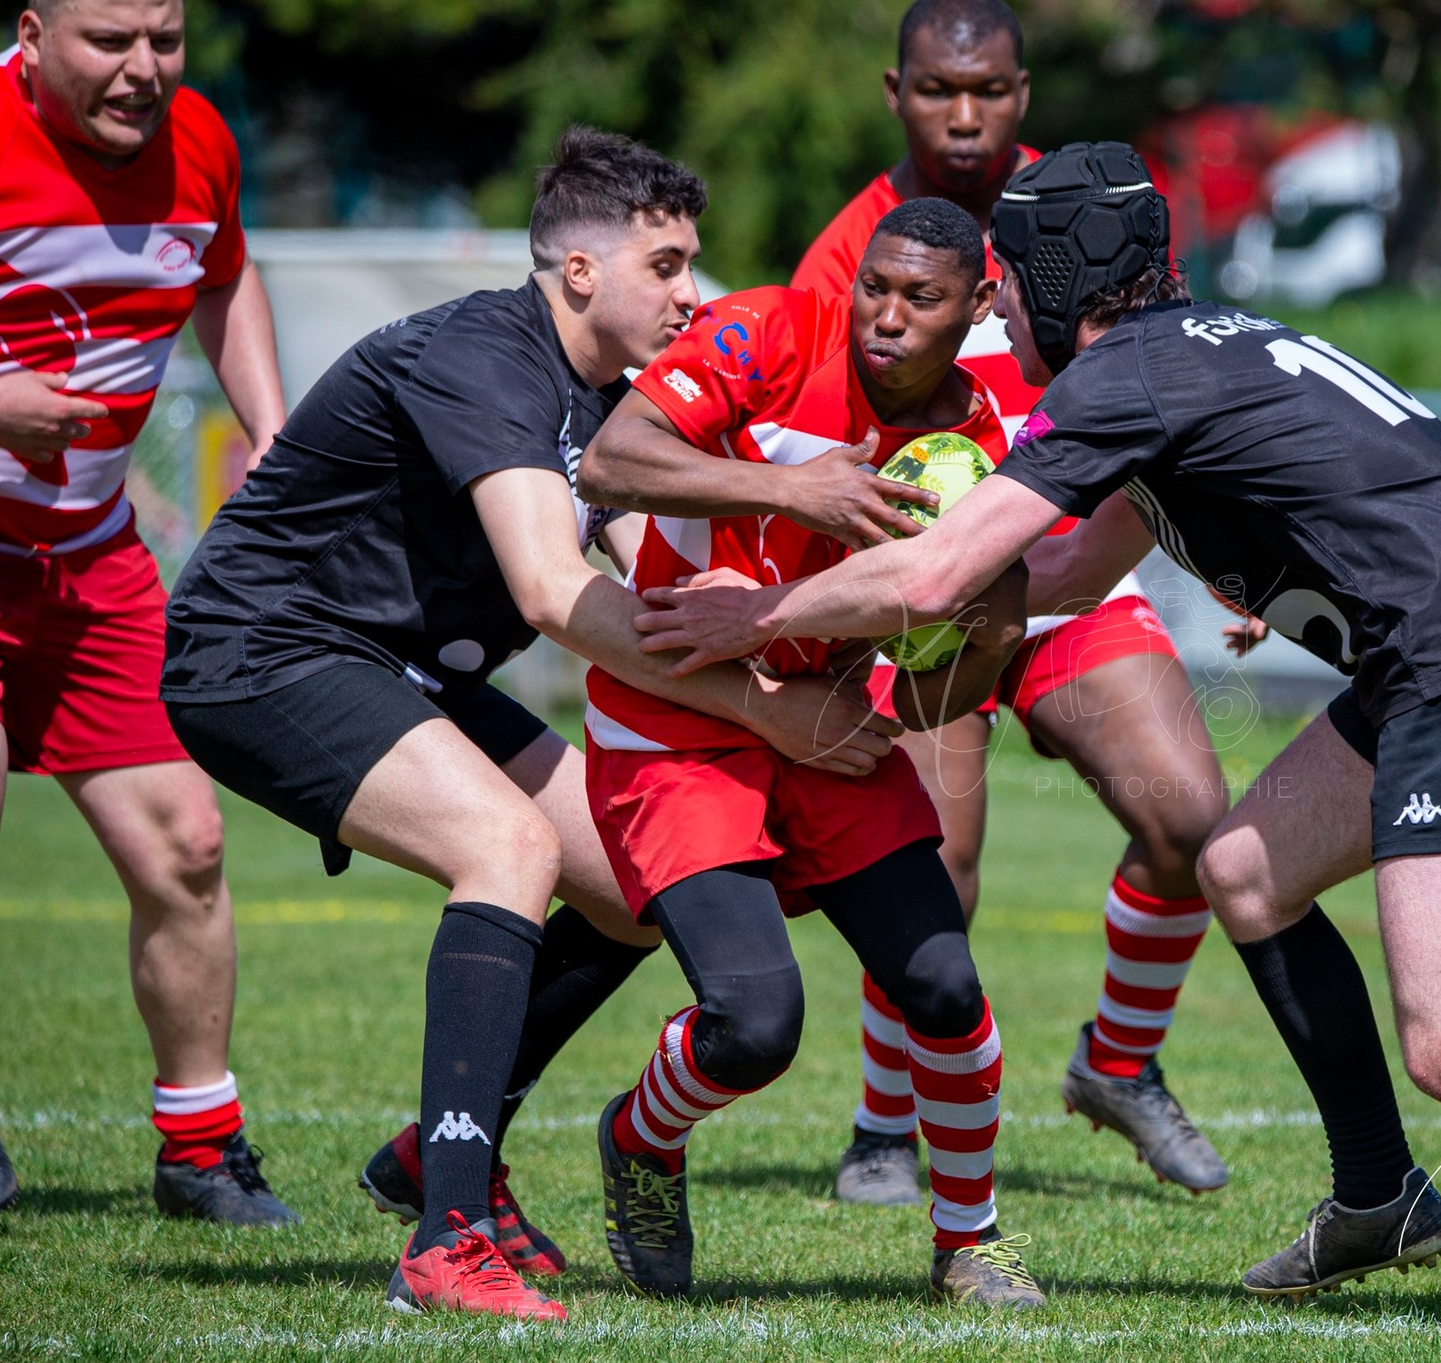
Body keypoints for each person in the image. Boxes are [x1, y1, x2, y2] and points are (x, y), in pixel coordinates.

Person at [631, 142, 1441, 1347]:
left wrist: (767, 613)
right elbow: (1059, 564)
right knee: (1240, 868)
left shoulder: (1123, 377)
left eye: (1006, 281)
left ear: (1059, 278)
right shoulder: (1191, 346)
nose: (996, 308)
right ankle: (1380, 1194)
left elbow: (959, 563)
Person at [159, 128, 911, 1320]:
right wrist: (770, 713)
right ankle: (445, 1241)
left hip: (403, 669)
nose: (690, 293)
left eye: (693, 265)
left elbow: (648, 598)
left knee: (624, 873)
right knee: (506, 849)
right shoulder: (485, 358)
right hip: (263, 650)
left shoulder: (612, 404)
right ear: (577, 273)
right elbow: (554, 597)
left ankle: (431, 1156)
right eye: (665, 266)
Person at [791, 0, 1231, 1205]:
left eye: (987, 91)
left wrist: (1225, 551)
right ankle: (884, 1126)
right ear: (898, 93)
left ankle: (1118, 1064)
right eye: (940, 90)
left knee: (1191, 822)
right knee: (933, 859)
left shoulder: (1081, 213)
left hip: (1069, 576)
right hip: (931, 595)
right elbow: (807, 433)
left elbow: (1171, 381)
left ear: (1023, 95)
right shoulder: (851, 250)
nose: (966, 114)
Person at [571, 196, 1043, 1308]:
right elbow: (608, 461)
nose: (882, 316)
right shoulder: (767, 330)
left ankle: (968, 1241)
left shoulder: (968, 446)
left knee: (942, 985)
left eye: (919, 299)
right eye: (873, 286)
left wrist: (988, 634)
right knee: (753, 1024)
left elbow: (937, 692)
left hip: (823, 721)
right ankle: (641, 1140)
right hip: (678, 714)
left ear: (976, 306)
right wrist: (794, 487)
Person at [0, 0, 293, 1225]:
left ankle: (199, 1149)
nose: (142, 70)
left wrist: (275, 431)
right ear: (31, 31)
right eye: (109, 40)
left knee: (188, 842)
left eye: (163, 39)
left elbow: (225, 276)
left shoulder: (201, 139)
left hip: (95, 561)